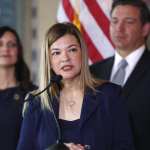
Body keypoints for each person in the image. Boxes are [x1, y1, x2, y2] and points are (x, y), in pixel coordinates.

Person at [17, 22, 134, 150]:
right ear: (49, 61)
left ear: (82, 54)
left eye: (72, 50)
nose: (65, 58)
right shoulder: (35, 102)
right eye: (56, 53)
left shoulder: (110, 95)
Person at [90, 0, 150, 150]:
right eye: (114, 21)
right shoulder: (93, 72)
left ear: (145, 29)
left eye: (128, 22)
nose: (119, 28)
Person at [0, 26, 36, 150]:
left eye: (12, 45)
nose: (5, 49)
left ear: (19, 51)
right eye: (0, 44)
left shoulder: (33, 94)